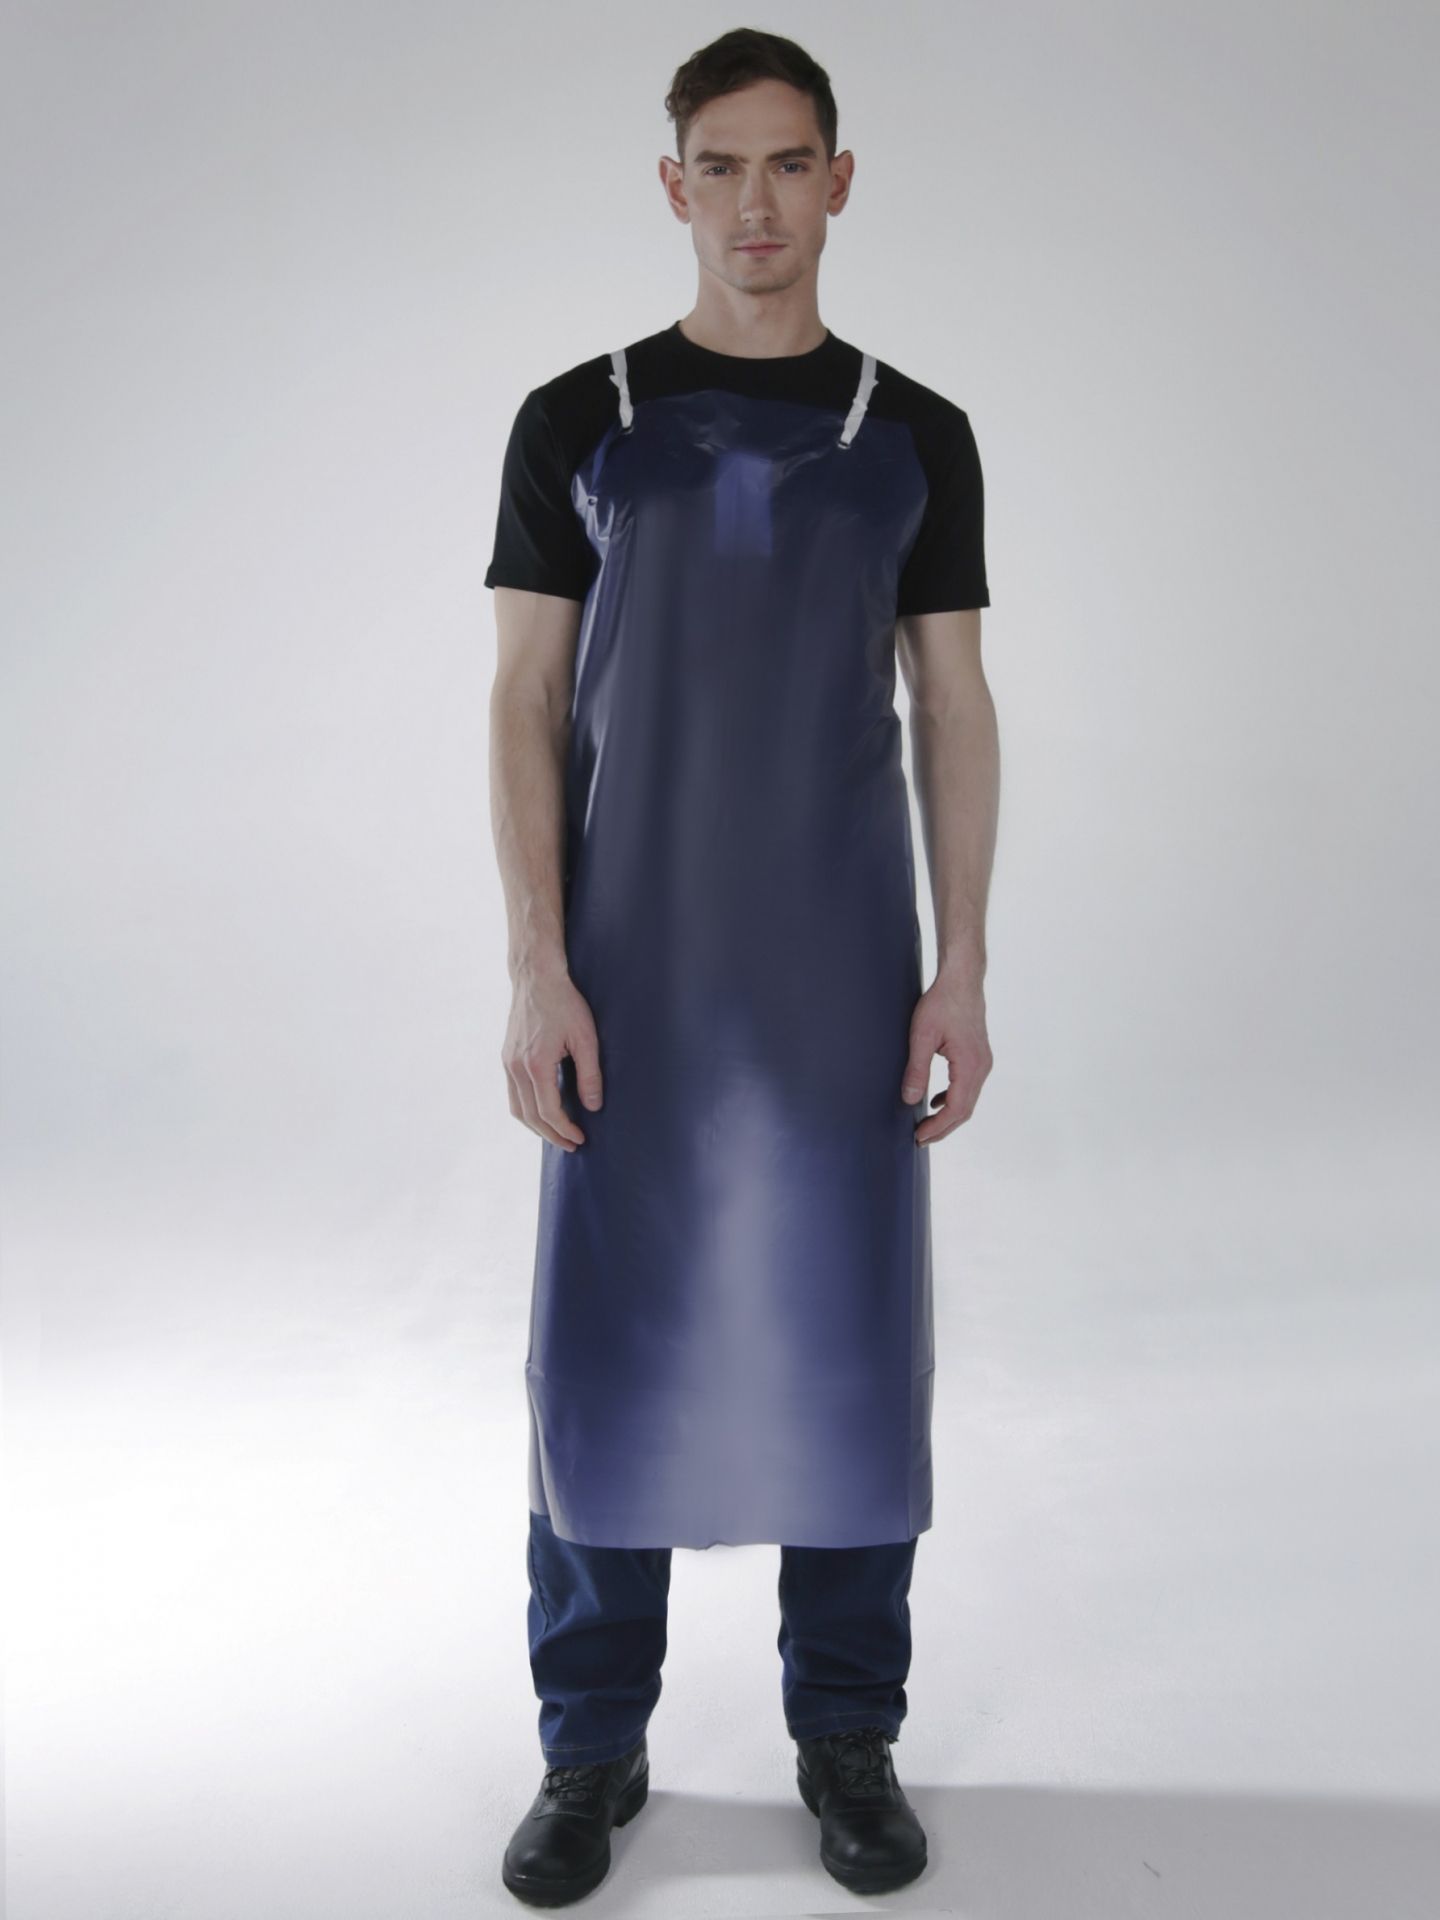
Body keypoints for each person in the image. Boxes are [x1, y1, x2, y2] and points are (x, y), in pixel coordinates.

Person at [484, 27, 999, 1906]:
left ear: (839, 182)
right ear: (674, 185)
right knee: (605, 1350)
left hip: (841, 966)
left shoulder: (915, 432)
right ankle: (589, 1746)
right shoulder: (579, 418)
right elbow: (525, 696)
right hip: (633, 961)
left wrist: (963, 964)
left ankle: (847, 1731)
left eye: (790, 164)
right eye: (722, 165)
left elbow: (952, 701)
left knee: (845, 1344)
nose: (756, 202)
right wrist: (537, 963)